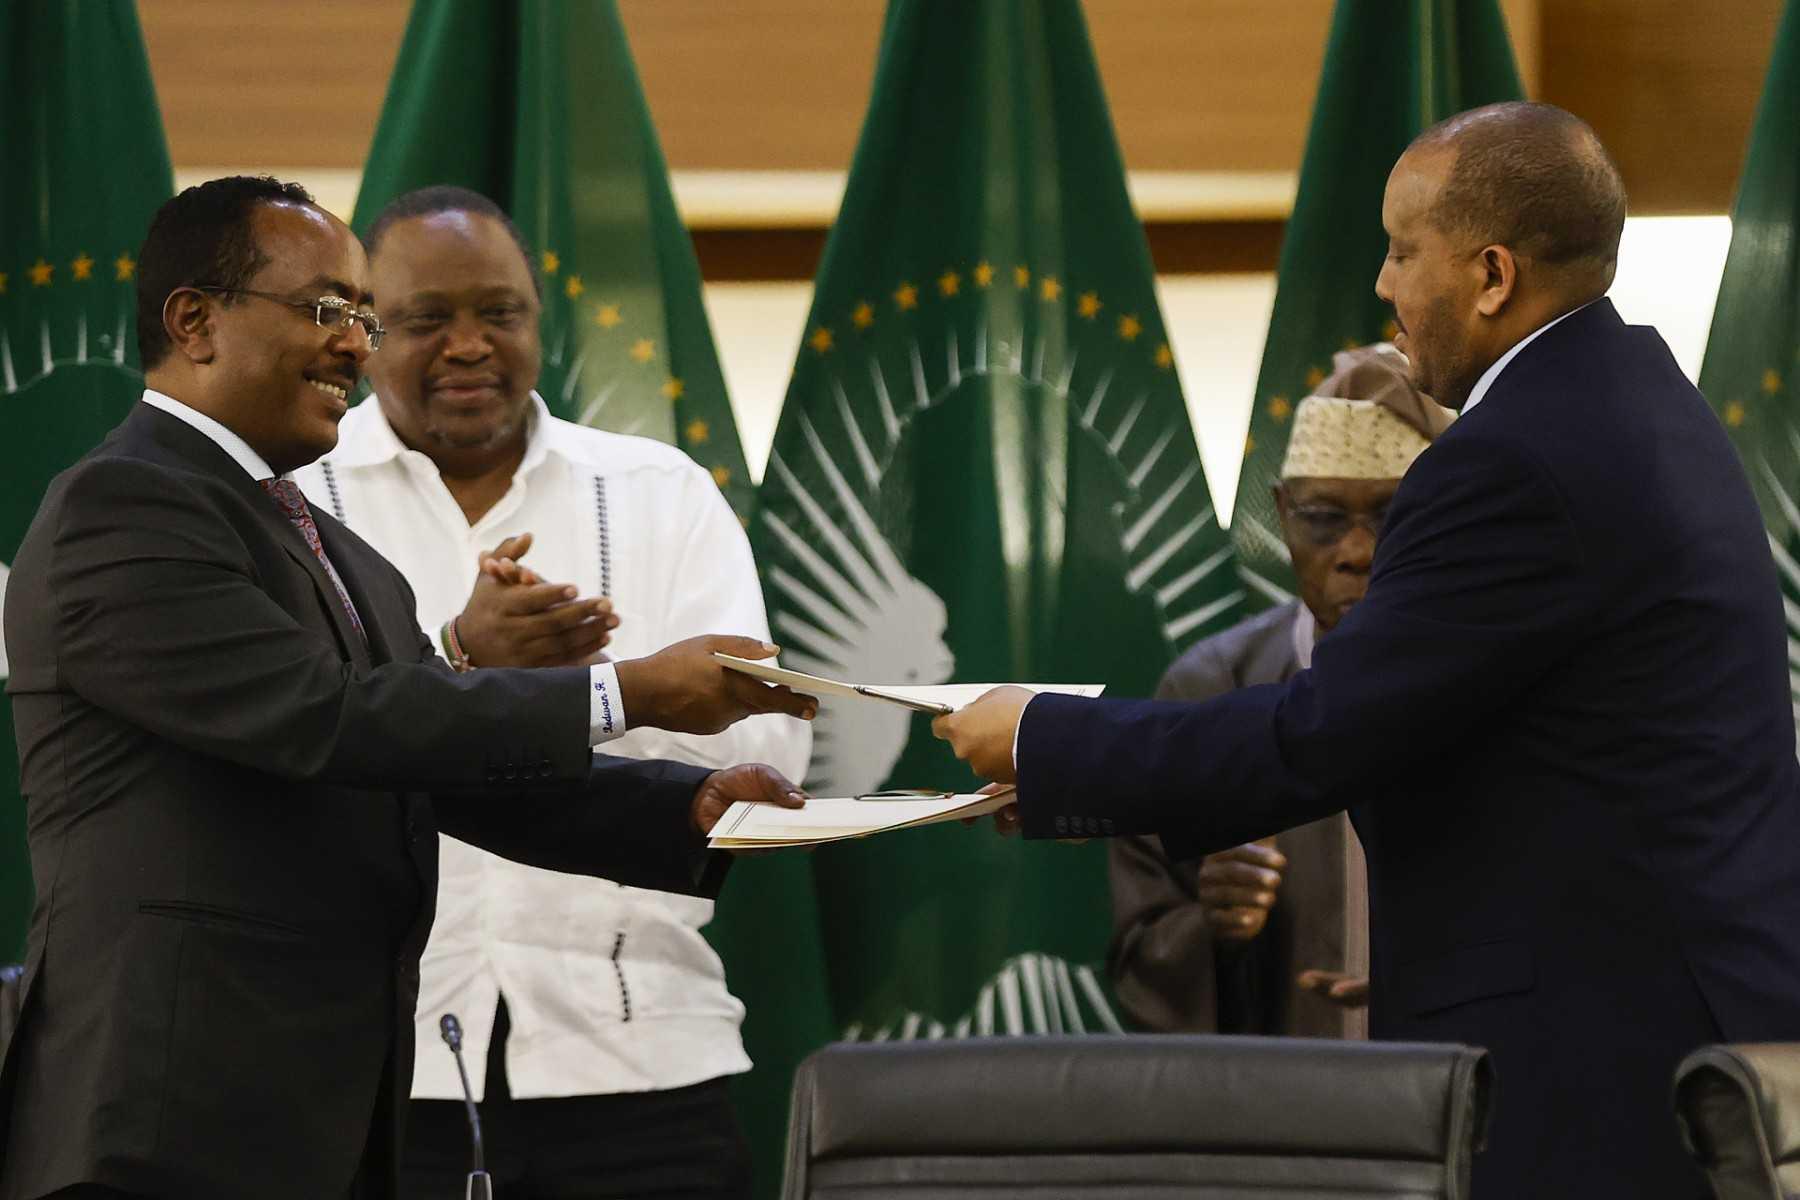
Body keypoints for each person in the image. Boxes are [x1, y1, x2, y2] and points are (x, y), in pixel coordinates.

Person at [936, 102, 1800, 1198]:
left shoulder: (1514, 459)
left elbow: (1317, 735)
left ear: (1490, 275)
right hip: (1674, 1037)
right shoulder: (1645, 407)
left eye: (1401, 251)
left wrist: (1046, 739)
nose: (1384, 286)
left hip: (1602, 1079)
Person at [0, 177, 816, 1200]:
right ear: (194, 321)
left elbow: (426, 763)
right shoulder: (122, 507)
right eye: (326, 311)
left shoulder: (332, 549)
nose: (354, 343)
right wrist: (628, 693)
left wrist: (679, 805)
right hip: (173, 1109)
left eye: (360, 316)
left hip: (321, 1105)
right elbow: (324, 717)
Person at [292, 186, 810, 1200]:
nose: (470, 345)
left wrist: (568, 699)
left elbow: (763, 768)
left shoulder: (660, 492)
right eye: (427, 319)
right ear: (361, 331)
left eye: (501, 312)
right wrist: (499, 693)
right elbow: (295, 747)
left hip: (644, 1055)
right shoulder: (300, 498)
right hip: (367, 1066)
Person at [1109, 344, 1451, 1038]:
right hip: (1279, 1113)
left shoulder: (1496, 690)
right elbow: (1139, 959)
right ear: (1280, 512)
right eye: (1323, 518)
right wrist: (1215, 927)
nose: (1356, 552)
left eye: (1391, 516)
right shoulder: (1207, 692)